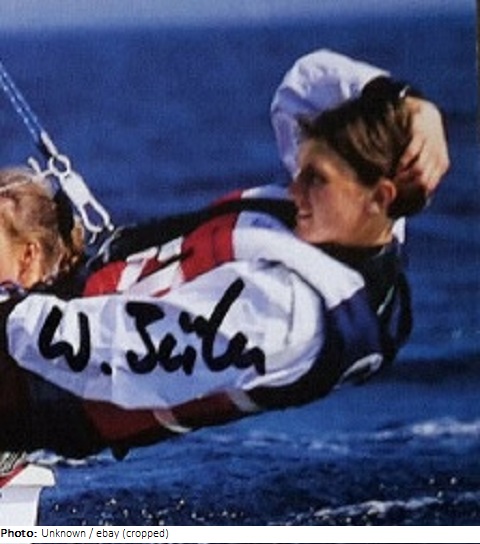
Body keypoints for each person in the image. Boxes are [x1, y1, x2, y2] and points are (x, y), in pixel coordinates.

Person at [0, 50, 449, 459]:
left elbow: (117, 349)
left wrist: (9, 311)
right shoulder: (357, 219)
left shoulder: (290, 316)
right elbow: (302, 90)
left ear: (380, 197)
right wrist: (408, 105)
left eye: (315, 178)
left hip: (48, 383)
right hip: (57, 307)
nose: (293, 189)